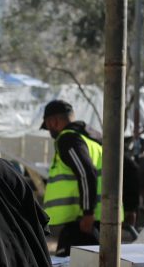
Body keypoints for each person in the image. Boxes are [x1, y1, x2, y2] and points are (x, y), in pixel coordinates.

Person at [39, 100, 107, 255]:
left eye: (47, 126)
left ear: (53, 121)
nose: (50, 132)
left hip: (82, 223)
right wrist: (130, 206)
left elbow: (86, 172)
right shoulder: (93, 140)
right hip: (97, 220)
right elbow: (128, 165)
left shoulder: (68, 139)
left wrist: (87, 212)